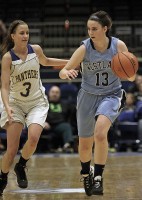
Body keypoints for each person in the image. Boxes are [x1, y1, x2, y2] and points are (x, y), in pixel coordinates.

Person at [59, 10, 136, 196]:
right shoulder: (85, 48)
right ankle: (86, 173)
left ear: (105, 28)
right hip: (87, 96)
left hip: (112, 94)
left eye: (94, 28)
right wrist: (66, 73)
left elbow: (132, 76)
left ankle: (99, 177)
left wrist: (129, 73)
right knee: (85, 144)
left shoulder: (118, 46)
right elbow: (63, 70)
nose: (90, 32)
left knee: (100, 133)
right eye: (88, 29)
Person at [0, 20, 69, 195]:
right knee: (11, 150)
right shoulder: (8, 58)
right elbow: (5, 86)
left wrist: (70, 62)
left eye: (27, 33)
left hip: (36, 102)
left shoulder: (35, 50)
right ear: (13, 36)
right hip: (15, 103)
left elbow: (46, 61)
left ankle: (21, 165)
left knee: (33, 138)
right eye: (21, 33)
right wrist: (7, 107)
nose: (25, 36)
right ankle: (2, 176)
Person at [43, 85, 74, 153]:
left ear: (60, 94)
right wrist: (43, 122)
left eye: (57, 92)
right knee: (35, 126)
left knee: (66, 126)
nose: (55, 94)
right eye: (53, 92)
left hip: (59, 125)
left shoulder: (65, 104)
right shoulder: (43, 103)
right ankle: (26, 146)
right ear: (49, 93)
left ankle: (67, 146)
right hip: (46, 124)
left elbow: (72, 113)